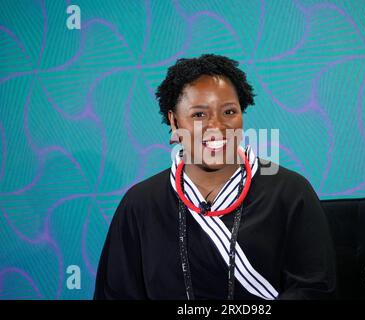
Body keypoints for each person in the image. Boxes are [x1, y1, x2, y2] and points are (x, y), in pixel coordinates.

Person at [94, 54, 336, 300]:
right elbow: (116, 294)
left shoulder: (290, 192)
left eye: (229, 111)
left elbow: (314, 290)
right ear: (174, 120)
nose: (218, 127)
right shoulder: (140, 204)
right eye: (199, 115)